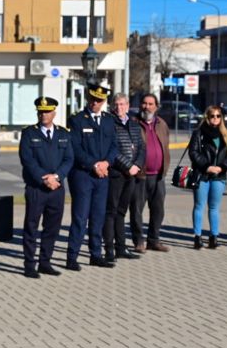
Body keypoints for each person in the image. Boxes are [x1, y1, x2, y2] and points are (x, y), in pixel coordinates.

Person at [19, 96, 74, 278]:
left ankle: (45, 262)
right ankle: (29, 264)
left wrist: (56, 177)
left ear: (54, 113)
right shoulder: (29, 134)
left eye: (47, 111)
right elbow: (28, 161)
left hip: (57, 188)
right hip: (37, 188)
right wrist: (45, 179)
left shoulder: (63, 133)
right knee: (31, 226)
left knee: (52, 227)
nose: (44, 114)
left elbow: (69, 159)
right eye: (41, 111)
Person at [65, 83, 118, 270]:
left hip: (102, 175)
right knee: (80, 217)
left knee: (98, 217)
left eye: (100, 100)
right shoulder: (78, 120)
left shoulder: (108, 120)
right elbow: (76, 149)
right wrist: (94, 164)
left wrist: (106, 163)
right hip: (83, 174)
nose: (96, 103)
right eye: (93, 99)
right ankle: (72, 256)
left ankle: (96, 254)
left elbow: (114, 146)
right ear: (88, 98)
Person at [103, 92, 145, 263]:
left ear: (128, 105)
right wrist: (128, 166)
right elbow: (111, 150)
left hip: (132, 175)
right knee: (111, 212)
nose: (119, 107)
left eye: (122, 104)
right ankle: (109, 249)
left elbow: (142, 148)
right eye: (116, 104)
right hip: (116, 174)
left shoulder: (134, 125)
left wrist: (136, 166)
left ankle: (121, 247)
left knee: (122, 212)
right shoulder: (109, 124)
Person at [188, 105, 227, 249]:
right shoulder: (199, 133)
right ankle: (197, 237)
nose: (215, 119)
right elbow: (193, 152)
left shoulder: (226, 134)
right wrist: (207, 166)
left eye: (218, 116)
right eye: (212, 116)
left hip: (219, 176)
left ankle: (213, 237)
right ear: (207, 118)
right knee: (199, 206)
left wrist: (222, 167)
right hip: (202, 175)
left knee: (214, 207)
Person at [129, 93, 171, 253]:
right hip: (140, 175)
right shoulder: (134, 124)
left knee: (158, 210)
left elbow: (165, 145)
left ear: (156, 106)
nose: (147, 106)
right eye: (144, 103)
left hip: (158, 175)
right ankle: (139, 240)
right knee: (137, 210)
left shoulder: (162, 124)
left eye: (151, 104)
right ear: (140, 105)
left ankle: (154, 240)